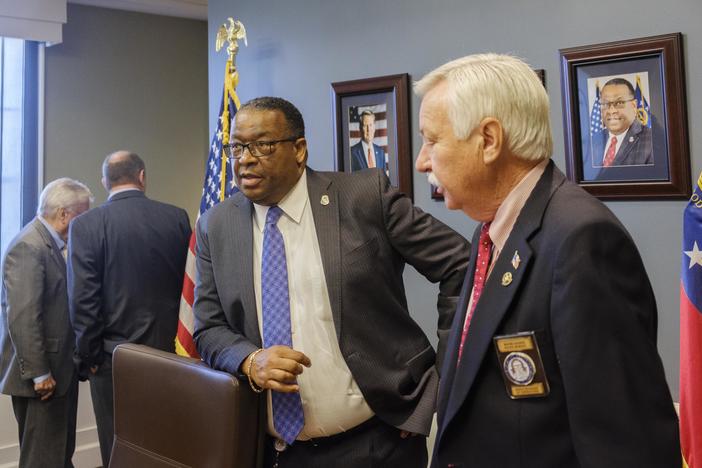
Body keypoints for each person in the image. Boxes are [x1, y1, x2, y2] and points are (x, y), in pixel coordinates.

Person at [414, 54, 680, 467]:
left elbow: (626, 443)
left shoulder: (580, 239)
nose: (422, 161)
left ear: (488, 140)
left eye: (431, 140)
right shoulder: (491, 230)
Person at [193, 96, 469, 468]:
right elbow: (209, 328)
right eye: (237, 147)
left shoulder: (363, 197)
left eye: (262, 145)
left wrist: (441, 379)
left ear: (299, 150)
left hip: (378, 443)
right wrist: (250, 360)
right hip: (274, 452)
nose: (245, 159)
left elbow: (461, 264)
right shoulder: (216, 225)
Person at [67, 151, 191, 467]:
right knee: (165, 442)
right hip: (168, 355)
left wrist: (89, 357)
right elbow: (188, 287)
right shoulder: (176, 217)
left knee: (117, 444)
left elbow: (83, 300)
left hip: (111, 359)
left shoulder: (85, 225)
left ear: (105, 182)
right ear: (142, 176)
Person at [1, 178, 93, 468]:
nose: (85, 224)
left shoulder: (48, 244)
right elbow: (23, 317)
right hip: (43, 378)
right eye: (83, 216)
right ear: (64, 214)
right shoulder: (29, 246)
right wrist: (40, 374)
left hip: (59, 372)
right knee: (43, 460)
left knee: (58, 453)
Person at [597, 77, 652, 167]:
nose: (612, 111)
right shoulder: (594, 141)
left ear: (633, 106)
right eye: (606, 103)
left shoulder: (652, 141)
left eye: (619, 103)